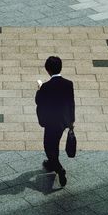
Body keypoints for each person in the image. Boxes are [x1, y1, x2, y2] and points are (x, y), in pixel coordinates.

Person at [35, 56, 75, 187]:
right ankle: (52, 163)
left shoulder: (46, 87)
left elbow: (39, 101)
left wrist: (40, 88)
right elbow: (71, 103)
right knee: (55, 143)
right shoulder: (68, 84)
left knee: (48, 146)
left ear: (48, 70)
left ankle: (59, 169)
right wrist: (71, 122)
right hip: (63, 121)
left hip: (51, 122)